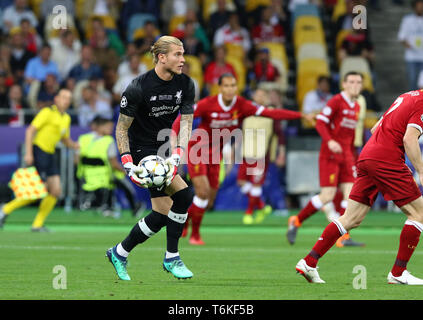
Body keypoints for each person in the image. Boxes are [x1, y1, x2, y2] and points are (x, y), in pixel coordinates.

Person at [296, 88, 423, 285]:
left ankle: (309, 262)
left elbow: (375, 129)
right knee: (419, 214)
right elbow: (409, 139)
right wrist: (421, 171)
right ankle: (398, 272)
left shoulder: (406, 96)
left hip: (368, 155)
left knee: (351, 218)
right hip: (386, 159)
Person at [173, 73, 312, 245]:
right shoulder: (208, 104)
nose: (230, 89)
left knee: (208, 201)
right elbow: (183, 117)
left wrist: (300, 116)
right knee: (202, 192)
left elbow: (271, 113)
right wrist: (173, 137)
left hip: (217, 156)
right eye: (226, 86)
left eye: (233, 86)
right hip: (198, 150)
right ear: (220, 87)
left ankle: (185, 220)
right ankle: (195, 235)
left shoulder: (242, 105)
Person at [105, 36, 196, 281]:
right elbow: (121, 128)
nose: (183, 59)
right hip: (141, 150)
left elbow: (186, 123)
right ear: (162, 57)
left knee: (162, 214)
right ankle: (171, 257)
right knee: (184, 195)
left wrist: (178, 153)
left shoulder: (186, 84)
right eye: (178, 54)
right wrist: (126, 161)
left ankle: (119, 252)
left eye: (183, 53)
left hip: (165, 146)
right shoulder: (137, 87)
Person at [286, 72, 365, 247]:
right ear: (343, 84)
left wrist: (352, 155)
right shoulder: (336, 101)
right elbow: (321, 122)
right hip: (330, 155)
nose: (355, 85)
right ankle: (296, 220)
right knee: (327, 195)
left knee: (350, 195)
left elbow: (350, 135)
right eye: (351, 81)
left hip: (347, 155)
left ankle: (344, 237)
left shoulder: (356, 106)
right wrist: (330, 141)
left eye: (359, 82)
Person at [0, 89, 79, 231]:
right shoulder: (47, 112)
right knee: (37, 191)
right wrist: (29, 153)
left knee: (55, 191)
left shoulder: (66, 118)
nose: (66, 101)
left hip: (51, 154)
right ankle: (5, 209)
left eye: (69, 98)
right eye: (63, 97)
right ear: (56, 99)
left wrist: (74, 145)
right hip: (39, 151)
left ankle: (37, 225)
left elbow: (64, 138)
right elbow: (30, 130)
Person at [237, 88, 274, 225]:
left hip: (260, 153)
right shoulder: (247, 111)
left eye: (262, 94)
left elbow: (277, 133)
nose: (260, 96)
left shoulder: (270, 111)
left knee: (256, 184)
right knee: (241, 181)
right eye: (257, 94)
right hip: (246, 152)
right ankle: (262, 206)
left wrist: (277, 151)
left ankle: (249, 212)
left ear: (266, 97)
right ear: (253, 96)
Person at [76, 116, 125, 217]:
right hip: (104, 177)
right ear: (100, 127)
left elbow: (76, 160)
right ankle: (107, 207)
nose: (111, 130)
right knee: (119, 180)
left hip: (84, 176)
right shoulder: (108, 141)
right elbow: (114, 164)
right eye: (109, 127)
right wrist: (126, 171)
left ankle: (88, 204)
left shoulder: (83, 138)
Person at [398, 0, 423, 91]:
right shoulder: (407, 20)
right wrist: (407, 44)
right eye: (419, 5)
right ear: (414, 6)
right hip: (411, 56)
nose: (421, 8)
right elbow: (401, 37)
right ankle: (413, 102)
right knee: (412, 80)